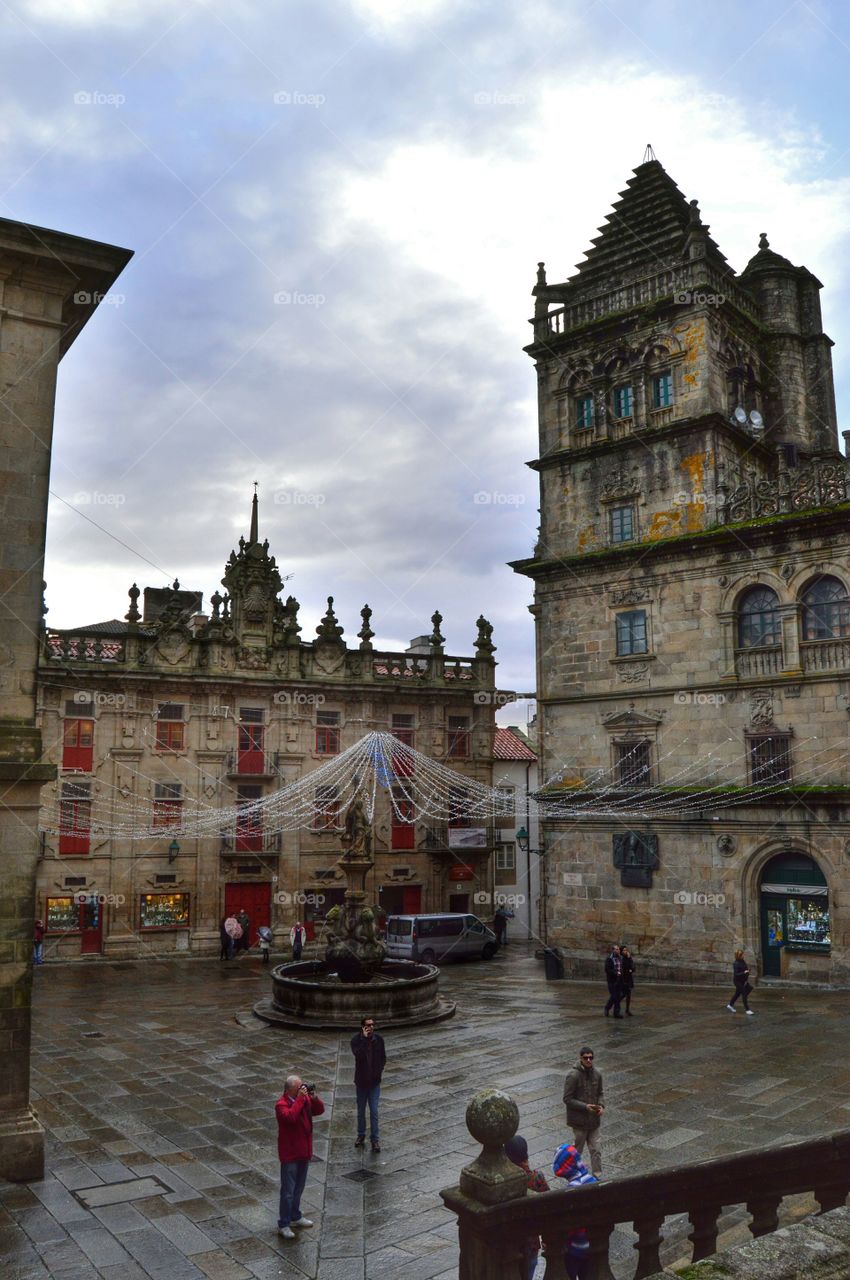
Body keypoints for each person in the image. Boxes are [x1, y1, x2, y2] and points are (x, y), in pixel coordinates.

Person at [275, 1074, 325, 1239]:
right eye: (299, 1087)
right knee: (288, 1191)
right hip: (290, 1154)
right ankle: (284, 1224)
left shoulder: (303, 1099)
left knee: (299, 1188)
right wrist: (301, 1099)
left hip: (304, 1152)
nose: (302, 1089)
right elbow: (291, 1117)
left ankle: (295, 1215)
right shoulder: (281, 1105)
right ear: (290, 1090)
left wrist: (313, 1097)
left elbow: (319, 1110)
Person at [504, 1133, 548, 1280]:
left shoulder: (504, 1182)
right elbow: (549, 1207)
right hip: (531, 1242)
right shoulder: (536, 1178)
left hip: (509, 1242)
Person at [552, 1142, 597, 1279]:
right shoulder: (593, 1180)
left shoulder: (572, 1190)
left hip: (575, 1248)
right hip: (594, 1244)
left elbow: (570, 1225)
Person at [562, 1047, 604, 1176]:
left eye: (591, 1057)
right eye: (586, 1058)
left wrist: (601, 1106)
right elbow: (567, 1099)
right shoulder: (573, 1076)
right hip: (579, 1122)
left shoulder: (597, 1074)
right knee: (577, 1151)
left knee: (596, 1150)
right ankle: (574, 1174)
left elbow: (600, 1093)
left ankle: (597, 1176)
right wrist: (585, 1107)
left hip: (594, 1120)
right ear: (581, 1058)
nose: (588, 1060)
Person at [351, 1015, 386, 1152]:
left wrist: (378, 1071)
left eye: (372, 1025)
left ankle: (375, 1139)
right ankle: (361, 1135)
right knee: (361, 1112)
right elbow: (358, 1055)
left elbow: (383, 1058)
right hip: (361, 1083)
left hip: (374, 1083)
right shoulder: (356, 1040)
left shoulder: (379, 1040)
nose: (371, 1027)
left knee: (374, 1111)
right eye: (368, 1025)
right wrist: (365, 1040)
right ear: (363, 1027)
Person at [727, 949, 755, 1015]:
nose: (743, 956)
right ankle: (747, 1010)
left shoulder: (742, 961)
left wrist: (747, 971)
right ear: (739, 956)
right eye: (742, 955)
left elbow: (745, 968)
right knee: (744, 993)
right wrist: (744, 972)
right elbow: (736, 974)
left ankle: (730, 1005)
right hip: (737, 981)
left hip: (743, 980)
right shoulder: (736, 963)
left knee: (739, 993)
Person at [603, 944, 623, 1018]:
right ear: (613, 950)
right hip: (612, 980)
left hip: (619, 980)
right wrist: (616, 973)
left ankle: (616, 1013)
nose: (618, 950)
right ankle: (607, 1007)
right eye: (616, 949)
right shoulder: (609, 959)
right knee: (614, 996)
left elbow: (621, 967)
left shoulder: (620, 958)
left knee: (618, 997)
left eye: (618, 949)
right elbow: (607, 970)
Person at [620, 945, 635, 1016]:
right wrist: (629, 969)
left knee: (628, 995)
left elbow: (633, 967)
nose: (625, 951)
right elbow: (625, 967)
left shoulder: (629, 958)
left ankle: (627, 1010)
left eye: (626, 950)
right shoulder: (621, 958)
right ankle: (614, 1003)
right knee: (623, 994)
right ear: (621, 951)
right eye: (624, 950)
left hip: (629, 979)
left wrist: (631, 969)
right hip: (623, 979)